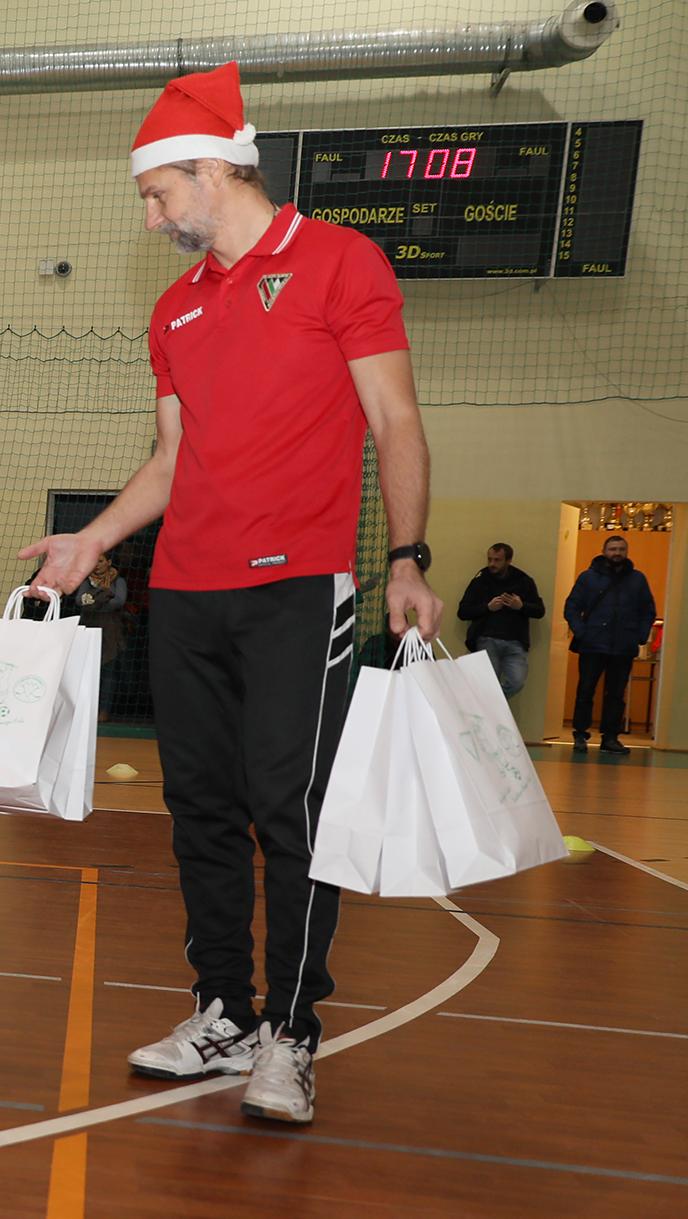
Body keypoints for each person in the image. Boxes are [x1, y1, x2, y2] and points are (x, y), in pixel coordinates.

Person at [23, 64, 441, 1124]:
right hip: (185, 594)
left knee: (291, 812)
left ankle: (291, 1033)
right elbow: (172, 461)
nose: (152, 217)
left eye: (158, 195)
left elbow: (394, 419)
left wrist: (407, 556)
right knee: (199, 811)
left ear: (212, 169)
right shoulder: (174, 310)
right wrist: (91, 540)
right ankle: (222, 1011)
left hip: (298, 591)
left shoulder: (339, 262)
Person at [564, 535, 658, 755]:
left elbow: (648, 610)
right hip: (592, 644)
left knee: (616, 694)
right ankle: (580, 735)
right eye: (613, 549)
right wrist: (583, 633)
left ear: (627, 552)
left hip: (623, 646)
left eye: (622, 549)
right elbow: (572, 607)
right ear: (604, 552)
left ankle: (610, 738)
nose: (617, 553)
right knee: (585, 691)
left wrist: (640, 635)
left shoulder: (637, 579)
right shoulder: (588, 577)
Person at [456, 543, 546, 697]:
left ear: (508, 561)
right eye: (489, 559)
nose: (492, 564)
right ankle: (491, 706)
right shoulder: (480, 581)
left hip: (515, 642)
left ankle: (491, 702)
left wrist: (521, 606)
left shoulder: (523, 581)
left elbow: (540, 611)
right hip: (487, 640)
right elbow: (463, 612)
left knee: (517, 682)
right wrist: (487, 607)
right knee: (487, 684)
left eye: (497, 560)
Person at [73, 552, 130, 721]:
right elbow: (80, 601)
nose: (97, 565)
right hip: (88, 627)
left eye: (100, 561)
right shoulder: (86, 581)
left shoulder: (118, 581)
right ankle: (86, 708)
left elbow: (119, 601)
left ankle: (104, 710)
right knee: (87, 670)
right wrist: (104, 600)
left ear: (109, 562)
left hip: (110, 630)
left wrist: (95, 604)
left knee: (109, 671)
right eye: (94, 562)